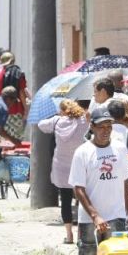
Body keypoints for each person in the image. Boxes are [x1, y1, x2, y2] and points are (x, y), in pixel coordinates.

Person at [69, 106, 128, 255]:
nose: (106, 131)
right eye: (101, 127)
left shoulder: (119, 148)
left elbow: (125, 181)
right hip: (90, 220)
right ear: (93, 127)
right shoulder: (83, 152)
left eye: (109, 126)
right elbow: (78, 188)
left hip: (116, 216)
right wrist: (95, 216)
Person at [38, 99, 90, 244]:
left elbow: (41, 125)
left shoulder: (56, 121)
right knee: (82, 199)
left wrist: (57, 117)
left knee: (65, 201)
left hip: (61, 166)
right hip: (80, 164)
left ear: (62, 110)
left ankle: (69, 235)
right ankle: (82, 233)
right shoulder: (84, 120)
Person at [0, 52, 29, 141]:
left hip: (1, 111)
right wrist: (26, 109)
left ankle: (3, 155)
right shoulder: (17, 73)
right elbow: (21, 93)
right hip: (16, 110)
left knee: (4, 139)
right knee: (16, 138)